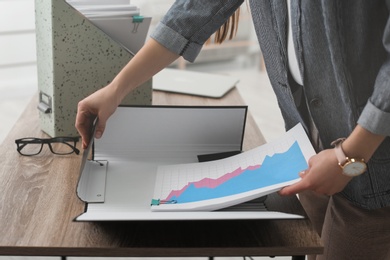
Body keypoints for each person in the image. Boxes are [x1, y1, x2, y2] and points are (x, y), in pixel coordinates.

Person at [75, 1, 390, 259]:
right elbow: (189, 15)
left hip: (373, 164)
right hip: (310, 145)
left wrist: (349, 156)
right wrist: (116, 89)